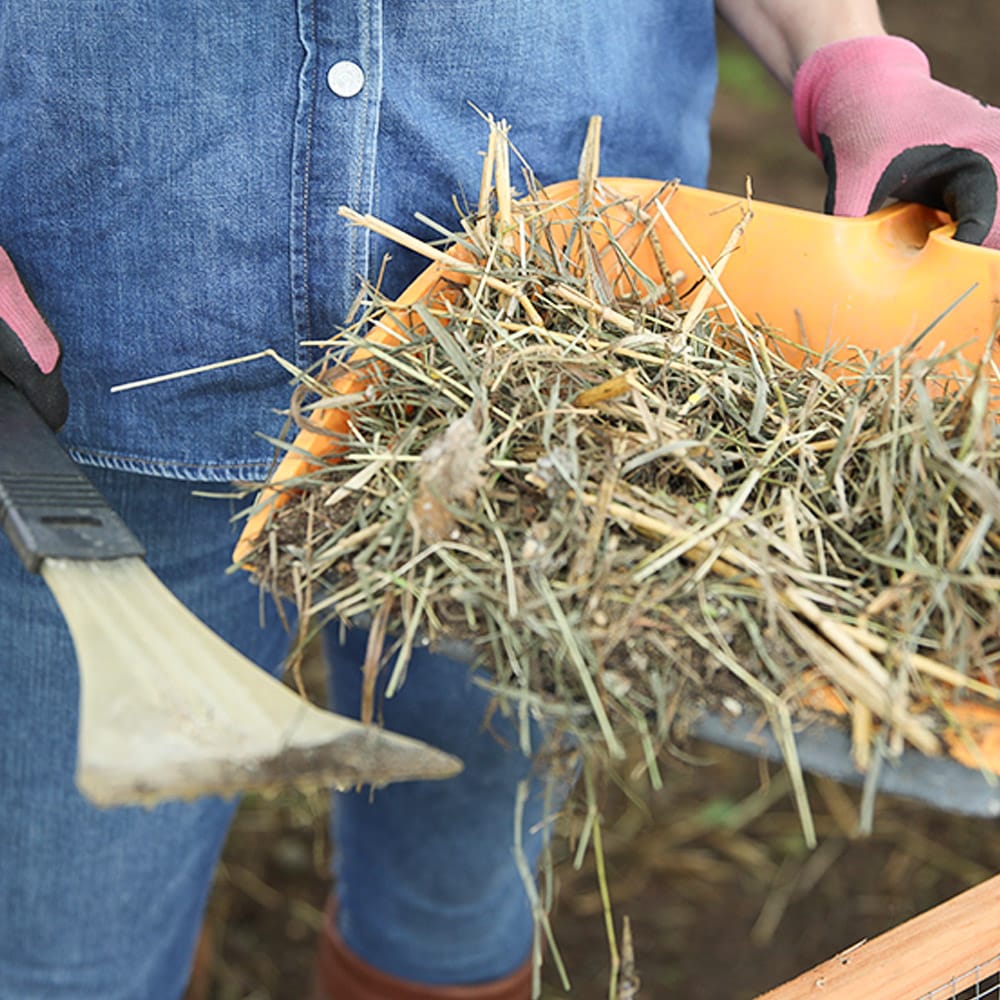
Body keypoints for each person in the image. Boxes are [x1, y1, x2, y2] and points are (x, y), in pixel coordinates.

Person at [1, 3, 999, 998]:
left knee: (458, 892)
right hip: (100, 358)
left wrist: (845, 49)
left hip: (566, 399)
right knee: (64, 943)